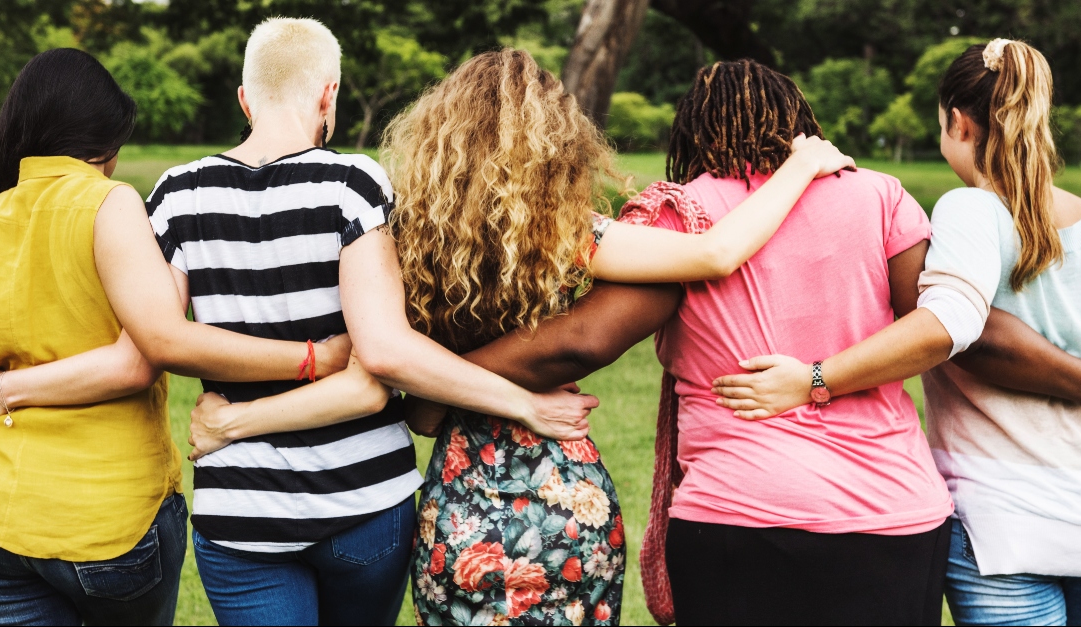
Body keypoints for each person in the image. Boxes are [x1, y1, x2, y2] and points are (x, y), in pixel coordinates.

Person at [187, 47, 854, 625]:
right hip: (564, 495)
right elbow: (714, 254)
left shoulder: (404, 235)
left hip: (459, 503)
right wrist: (799, 167)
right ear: (554, 139)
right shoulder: (563, 230)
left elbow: (410, 398)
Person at [0, 25, 602, 627]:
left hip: (240, 511)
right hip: (364, 504)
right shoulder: (353, 183)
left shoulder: (177, 194)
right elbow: (385, 351)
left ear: (245, 98)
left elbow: (150, 341)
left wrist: (2, 390)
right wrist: (527, 405)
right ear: (328, 94)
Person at [718, 40, 1081, 625]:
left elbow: (951, 324)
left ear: (957, 123)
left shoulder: (971, 211)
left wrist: (815, 379)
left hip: (1008, 521)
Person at [0, 48, 361, 626]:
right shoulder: (107, 203)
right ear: (106, 144)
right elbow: (152, 349)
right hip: (108, 522)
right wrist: (313, 357)